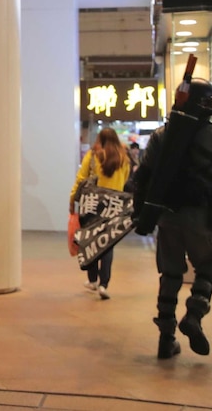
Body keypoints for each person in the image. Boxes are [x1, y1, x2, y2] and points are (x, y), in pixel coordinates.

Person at [133, 78, 212, 360]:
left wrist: (141, 213)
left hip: (166, 216)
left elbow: (143, 176)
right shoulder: (209, 133)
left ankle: (166, 338)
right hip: (200, 215)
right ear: (204, 103)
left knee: (171, 275)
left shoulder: (161, 134)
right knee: (209, 267)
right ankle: (194, 315)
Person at [68, 127, 130, 300]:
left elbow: (81, 178)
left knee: (91, 239)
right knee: (107, 244)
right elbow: (125, 180)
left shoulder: (93, 155)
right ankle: (104, 284)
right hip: (113, 205)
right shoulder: (123, 158)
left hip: (92, 205)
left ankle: (93, 280)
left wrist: (72, 199)